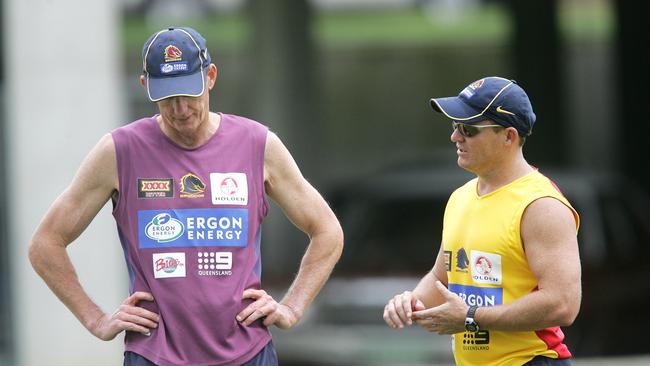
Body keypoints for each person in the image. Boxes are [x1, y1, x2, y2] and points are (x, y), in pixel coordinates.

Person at [28, 27, 344, 366]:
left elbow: (327, 231)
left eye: (188, 93)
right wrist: (97, 320)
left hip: (247, 353)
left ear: (210, 76)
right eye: (166, 97)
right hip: (154, 356)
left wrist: (292, 307)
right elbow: (45, 244)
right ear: (146, 86)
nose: (179, 109)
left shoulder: (257, 145)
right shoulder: (119, 152)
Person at [382, 76, 581, 365]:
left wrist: (471, 318)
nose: (455, 137)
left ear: (509, 137)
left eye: (469, 129)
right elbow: (442, 277)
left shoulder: (541, 205)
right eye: (455, 127)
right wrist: (411, 302)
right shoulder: (460, 197)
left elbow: (563, 304)